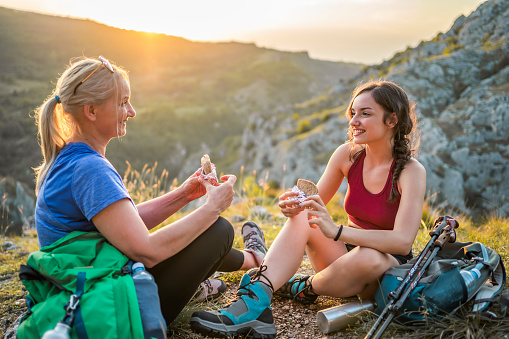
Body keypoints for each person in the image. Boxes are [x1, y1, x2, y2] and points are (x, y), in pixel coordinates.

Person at [32, 56, 267, 326]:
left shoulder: (71, 158)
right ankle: (254, 261)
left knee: (197, 231)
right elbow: (147, 251)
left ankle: (252, 260)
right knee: (219, 230)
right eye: (122, 103)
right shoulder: (90, 169)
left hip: (86, 289)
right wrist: (212, 207)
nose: (131, 111)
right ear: (92, 111)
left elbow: (122, 225)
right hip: (113, 312)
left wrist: (183, 195)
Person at [190, 80, 427, 338]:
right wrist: (291, 206)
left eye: (365, 114)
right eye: (353, 113)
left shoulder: (410, 171)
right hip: (343, 259)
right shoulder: (347, 155)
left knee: (368, 257)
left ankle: (302, 287)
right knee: (306, 213)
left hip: (383, 266)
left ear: (391, 120)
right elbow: (310, 204)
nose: (353, 121)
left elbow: (403, 243)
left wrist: (337, 231)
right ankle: (254, 304)